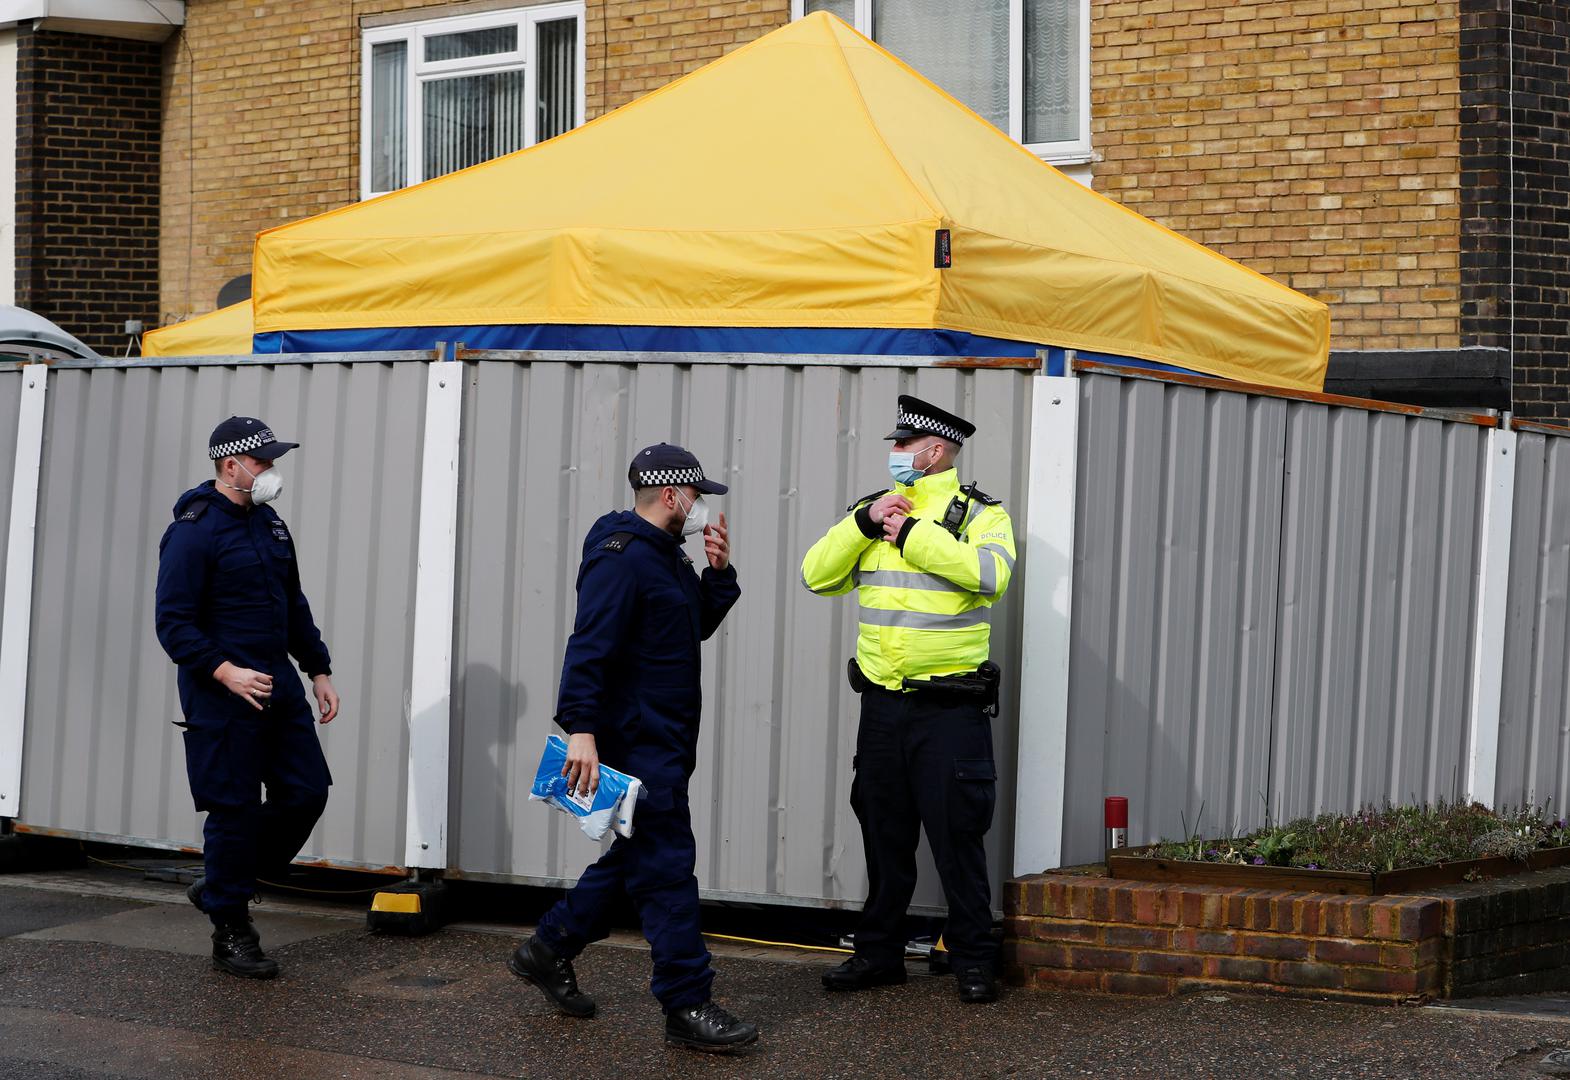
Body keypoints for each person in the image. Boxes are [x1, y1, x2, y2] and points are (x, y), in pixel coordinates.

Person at [509, 443, 757, 1053]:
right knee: (668, 867)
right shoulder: (620, 558)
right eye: (696, 495)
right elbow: (589, 644)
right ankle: (686, 1001)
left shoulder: (667, 555)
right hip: (637, 742)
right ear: (671, 495)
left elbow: (689, 628)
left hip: (668, 739)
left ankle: (548, 947)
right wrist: (581, 729)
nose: (701, 506)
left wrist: (717, 574)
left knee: (634, 864)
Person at [800, 395, 1016, 1004]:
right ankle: (878, 955)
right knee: (884, 835)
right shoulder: (872, 511)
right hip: (882, 707)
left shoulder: (980, 514)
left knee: (957, 838)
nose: (894, 453)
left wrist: (918, 537)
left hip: (948, 709)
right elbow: (816, 575)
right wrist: (863, 525)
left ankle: (973, 959)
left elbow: (992, 576)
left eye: (903, 444)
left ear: (935, 450)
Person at [154, 416, 341, 980]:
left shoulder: (270, 524)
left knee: (306, 793)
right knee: (233, 810)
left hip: (277, 685)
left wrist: (318, 669)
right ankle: (231, 928)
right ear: (230, 464)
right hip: (221, 693)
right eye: (262, 461)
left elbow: (293, 602)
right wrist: (225, 671)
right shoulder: (193, 530)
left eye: (272, 461)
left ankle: (220, 883)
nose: (271, 470)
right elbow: (173, 623)